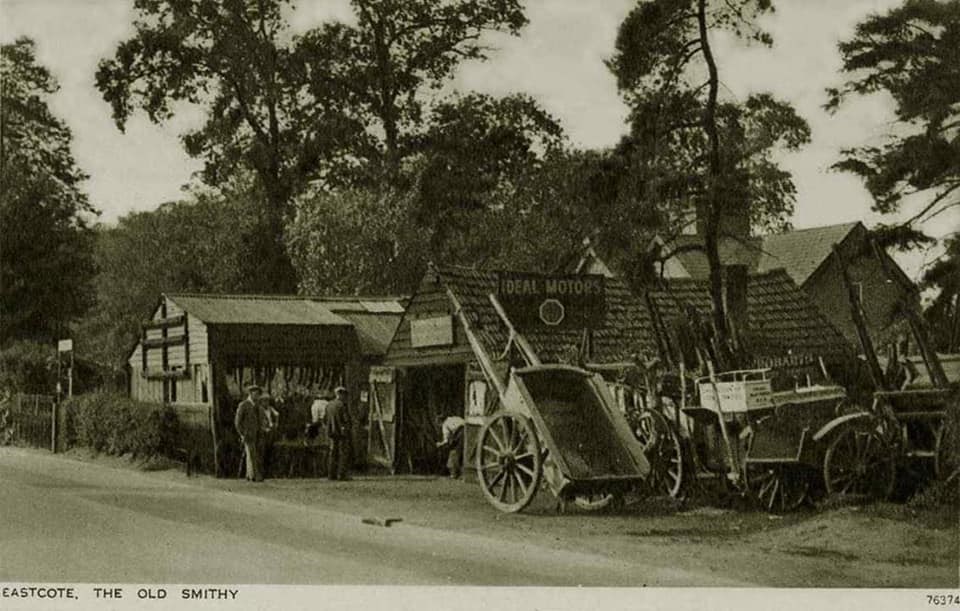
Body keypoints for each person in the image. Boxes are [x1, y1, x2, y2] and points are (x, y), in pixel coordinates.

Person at [235, 384, 264, 482]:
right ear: (250, 394)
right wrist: (242, 433)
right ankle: (254, 475)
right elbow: (238, 422)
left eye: (258, 394)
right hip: (248, 434)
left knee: (252, 454)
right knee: (251, 454)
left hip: (257, 433)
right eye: (255, 393)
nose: (257, 396)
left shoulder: (257, 406)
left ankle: (249, 474)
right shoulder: (243, 405)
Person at [324, 386, 352, 481]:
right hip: (341, 433)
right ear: (341, 394)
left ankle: (331, 474)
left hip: (331, 432)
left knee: (333, 454)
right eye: (344, 394)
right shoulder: (342, 405)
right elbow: (346, 419)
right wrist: (348, 428)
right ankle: (342, 475)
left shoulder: (329, 405)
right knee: (343, 453)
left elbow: (325, 419)